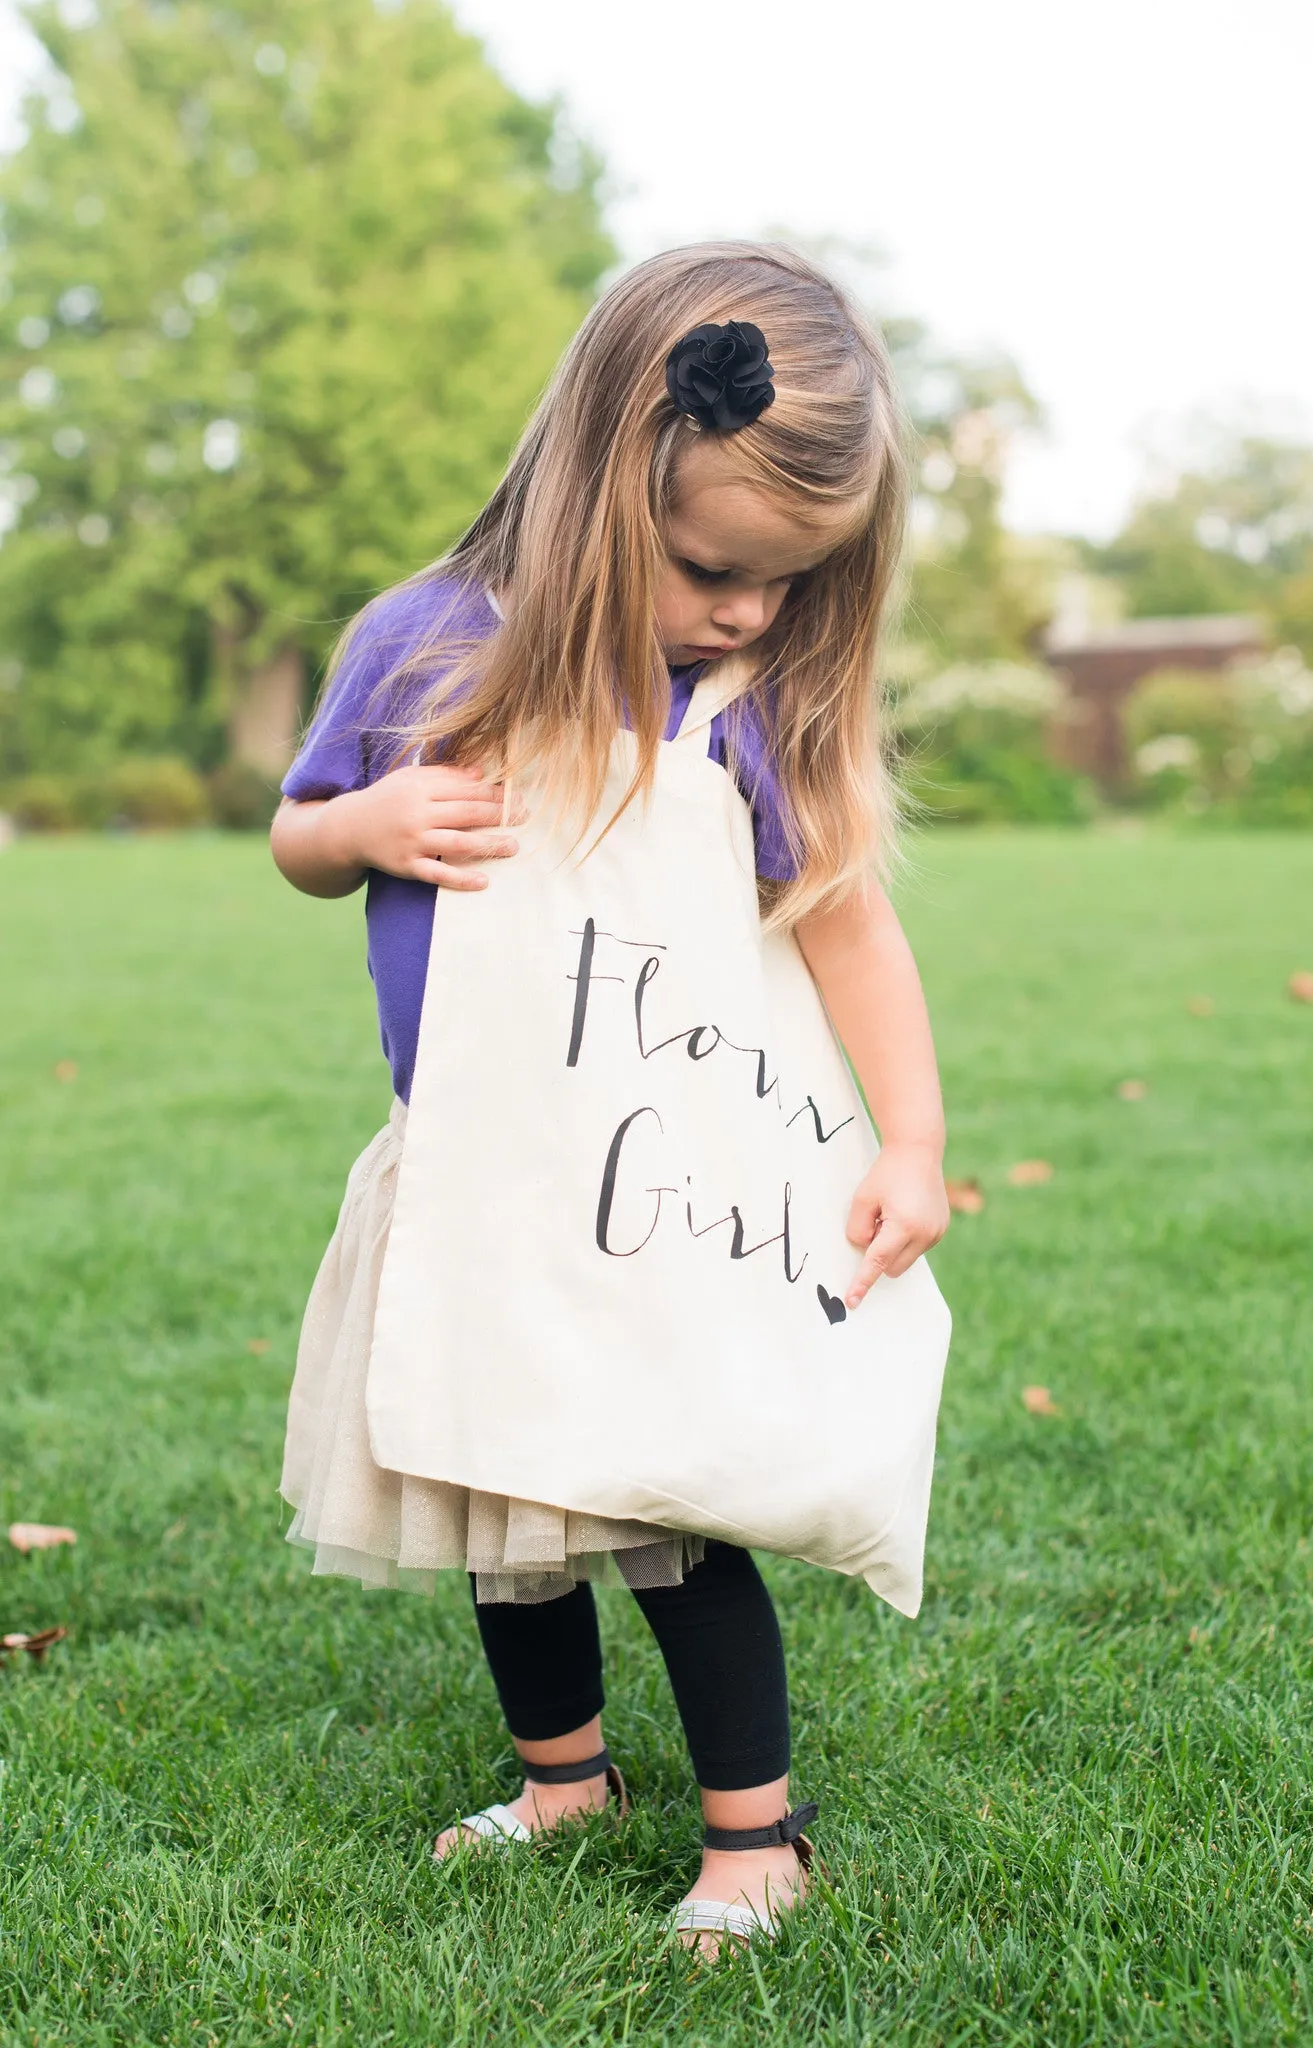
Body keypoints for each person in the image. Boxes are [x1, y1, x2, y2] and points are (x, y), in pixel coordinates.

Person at [271, 242, 951, 1951]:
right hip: (471, 1171)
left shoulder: (739, 708)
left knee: (666, 1512)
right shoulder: (424, 649)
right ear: (597, 480)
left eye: (791, 585)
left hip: (655, 1184)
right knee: (503, 1504)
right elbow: (296, 832)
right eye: (714, 565)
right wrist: (358, 833)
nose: (745, 612)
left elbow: (849, 925)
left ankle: (755, 1838)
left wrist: (916, 1142)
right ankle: (563, 1775)